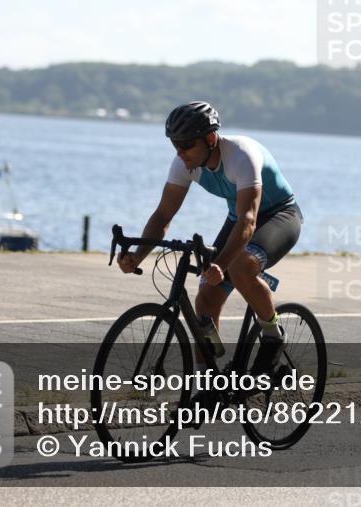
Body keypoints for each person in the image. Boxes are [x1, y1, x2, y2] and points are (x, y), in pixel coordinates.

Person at [118, 101, 302, 376]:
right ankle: (208, 383)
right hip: (237, 218)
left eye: (186, 144)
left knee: (240, 266)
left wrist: (222, 264)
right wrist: (138, 254)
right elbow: (163, 215)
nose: (180, 152)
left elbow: (248, 221)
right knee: (205, 299)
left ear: (211, 138)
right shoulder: (184, 163)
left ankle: (273, 335)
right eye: (174, 145)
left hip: (278, 216)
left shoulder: (241, 156)